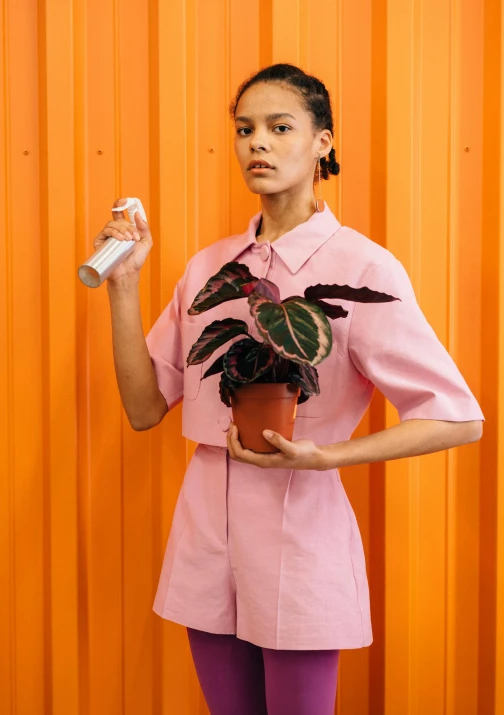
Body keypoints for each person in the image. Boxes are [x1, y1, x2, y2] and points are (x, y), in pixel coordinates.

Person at [97, 64, 484, 715]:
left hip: (300, 538)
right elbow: (142, 409)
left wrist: (328, 455)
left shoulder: (361, 267)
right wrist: (124, 284)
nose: (258, 144)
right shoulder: (210, 269)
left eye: (280, 127)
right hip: (205, 540)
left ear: (323, 143)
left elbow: (458, 418)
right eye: (245, 129)